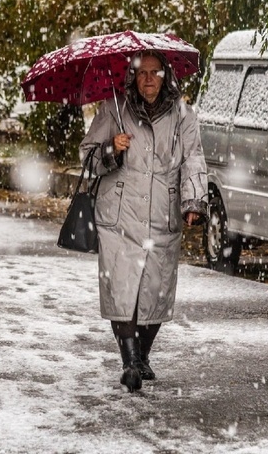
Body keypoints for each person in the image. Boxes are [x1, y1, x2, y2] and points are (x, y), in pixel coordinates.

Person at [79, 49, 208, 393]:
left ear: (167, 76)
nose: (148, 79)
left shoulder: (183, 114)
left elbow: (193, 158)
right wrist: (110, 149)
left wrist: (193, 199)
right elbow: (87, 155)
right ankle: (129, 361)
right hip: (119, 214)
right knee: (122, 289)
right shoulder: (114, 107)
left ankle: (142, 356)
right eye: (142, 73)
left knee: (155, 290)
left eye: (155, 72)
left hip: (161, 215)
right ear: (132, 77)